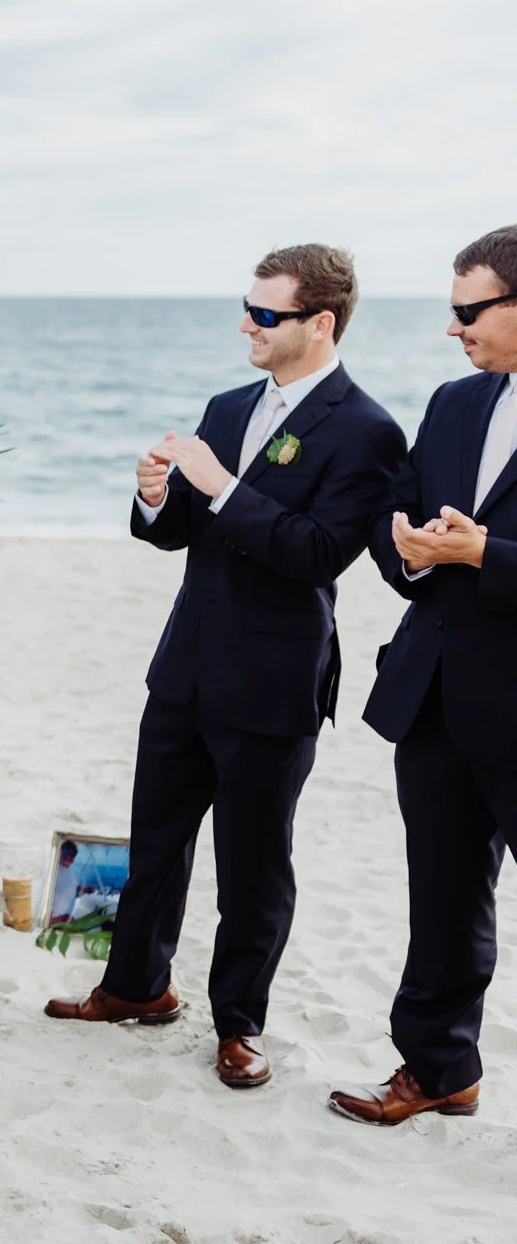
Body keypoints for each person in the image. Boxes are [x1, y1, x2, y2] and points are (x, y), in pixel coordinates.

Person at [45, 245, 406, 1091]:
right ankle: (135, 986)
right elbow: (182, 533)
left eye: (265, 314)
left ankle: (239, 1023)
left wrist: (222, 485)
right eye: (247, 306)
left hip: (274, 681)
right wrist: (155, 496)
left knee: (253, 865)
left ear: (319, 324)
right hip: (186, 664)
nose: (247, 323)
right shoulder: (228, 403)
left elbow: (319, 553)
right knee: (156, 843)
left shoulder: (368, 428)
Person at [334, 225, 517, 1125]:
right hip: (437, 693)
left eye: (468, 310)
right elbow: (395, 511)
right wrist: (406, 550)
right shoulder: (454, 402)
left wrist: (490, 553)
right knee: (441, 897)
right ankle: (439, 1067)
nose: (454, 329)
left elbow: (485, 548)